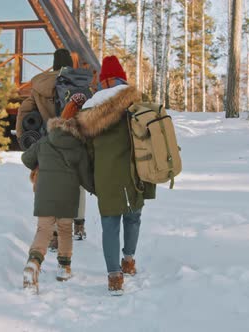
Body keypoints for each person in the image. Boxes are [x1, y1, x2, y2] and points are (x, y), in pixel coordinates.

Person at [76, 55, 155, 296]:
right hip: (136, 171)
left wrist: (92, 178)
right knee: (133, 218)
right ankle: (129, 261)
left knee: (110, 225)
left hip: (106, 174)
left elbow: (86, 151)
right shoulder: (139, 102)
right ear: (122, 78)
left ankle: (114, 277)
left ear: (104, 81)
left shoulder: (90, 109)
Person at [21, 93, 94, 294]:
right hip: (67, 195)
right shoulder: (79, 147)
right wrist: (97, 190)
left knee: (43, 230)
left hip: (44, 193)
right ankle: (64, 268)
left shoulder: (45, 141)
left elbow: (27, 159)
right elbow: (86, 177)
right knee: (64, 229)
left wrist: (41, 163)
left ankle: (33, 264)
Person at [17, 48, 88, 244]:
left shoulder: (40, 84)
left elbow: (25, 110)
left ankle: (55, 234)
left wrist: (24, 138)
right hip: (75, 140)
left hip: (48, 140)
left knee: (50, 183)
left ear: (54, 63)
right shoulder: (78, 82)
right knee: (78, 181)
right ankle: (79, 224)